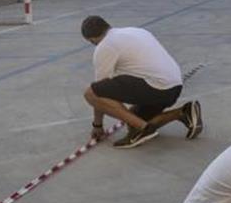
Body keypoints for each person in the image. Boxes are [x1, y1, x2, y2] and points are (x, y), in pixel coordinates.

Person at [81, 15, 202, 148]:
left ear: (91, 40)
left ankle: (143, 130)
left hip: (157, 87)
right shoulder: (135, 31)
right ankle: (183, 112)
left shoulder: (105, 46)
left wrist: (97, 125)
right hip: (173, 88)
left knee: (91, 93)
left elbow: (99, 93)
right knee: (132, 118)